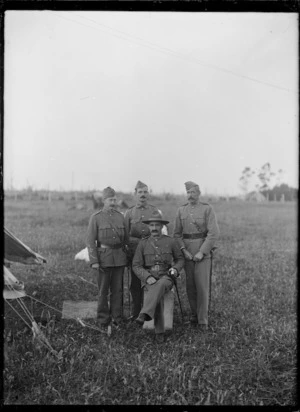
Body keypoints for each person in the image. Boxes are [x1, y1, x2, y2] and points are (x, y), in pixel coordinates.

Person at [132, 210, 184, 343]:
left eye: (157, 225)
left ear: (162, 227)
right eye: (152, 225)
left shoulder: (170, 241)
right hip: (150, 277)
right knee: (157, 291)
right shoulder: (143, 243)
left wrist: (176, 269)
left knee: (160, 285)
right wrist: (147, 277)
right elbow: (136, 265)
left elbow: (180, 259)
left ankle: (144, 314)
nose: (154, 228)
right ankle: (159, 332)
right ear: (148, 227)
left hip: (166, 277)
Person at [173, 181, 219, 330]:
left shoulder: (207, 209)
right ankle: (193, 315)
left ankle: (203, 320)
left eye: (193, 192)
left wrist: (202, 252)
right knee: (190, 286)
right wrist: (183, 250)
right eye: (188, 193)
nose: (190, 195)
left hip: (202, 253)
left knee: (202, 286)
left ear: (199, 194)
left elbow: (213, 233)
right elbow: (177, 234)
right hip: (187, 253)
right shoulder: (181, 211)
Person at [86, 186, 128, 330]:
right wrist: (94, 261)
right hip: (103, 259)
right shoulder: (96, 218)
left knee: (118, 290)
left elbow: (126, 239)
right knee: (103, 290)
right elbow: (90, 241)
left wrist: (126, 257)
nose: (113, 202)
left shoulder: (120, 216)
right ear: (103, 201)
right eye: (110, 200)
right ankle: (103, 319)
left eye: (114, 200)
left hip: (119, 258)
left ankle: (117, 318)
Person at [124, 180, 162, 321]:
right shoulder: (129, 213)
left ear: (148, 194)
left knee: (151, 280)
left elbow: (159, 232)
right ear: (135, 194)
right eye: (140, 192)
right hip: (134, 254)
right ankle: (136, 312)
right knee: (134, 283)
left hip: (150, 252)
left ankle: (150, 312)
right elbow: (125, 235)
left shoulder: (154, 211)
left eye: (145, 192)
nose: (143, 195)